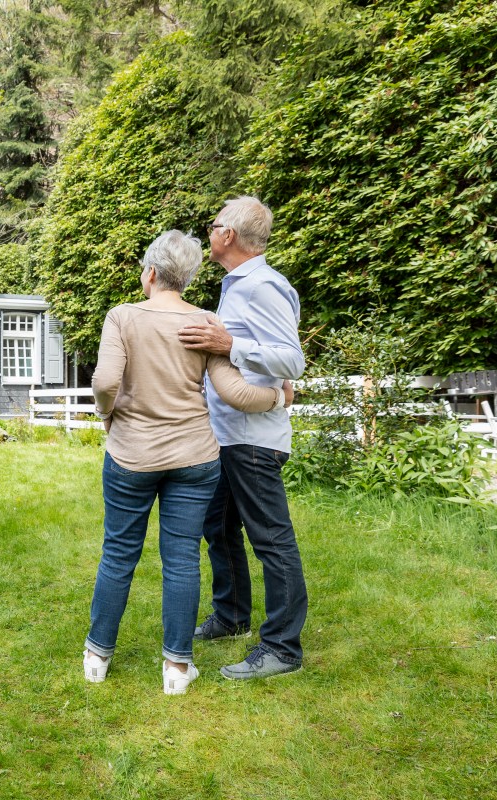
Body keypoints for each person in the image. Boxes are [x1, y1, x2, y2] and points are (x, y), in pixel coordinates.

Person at [83, 230, 288, 695]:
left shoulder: (122, 317)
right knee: (181, 559)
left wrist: (108, 414)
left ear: (151, 272)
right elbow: (234, 393)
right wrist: (278, 395)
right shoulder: (204, 322)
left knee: (118, 553)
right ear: (188, 278)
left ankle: (97, 655)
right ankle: (177, 669)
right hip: (195, 458)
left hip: (131, 455)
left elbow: (106, 380)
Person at [177, 195, 308, 680]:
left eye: (213, 226)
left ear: (227, 235)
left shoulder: (263, 287)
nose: (209, 233)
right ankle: (231, 616)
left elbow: (291, 360)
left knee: (271, 539)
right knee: (219, 529)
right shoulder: (237, 287)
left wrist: (230, 343)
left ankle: (282, 648)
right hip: (226, 436)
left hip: (254, 439)